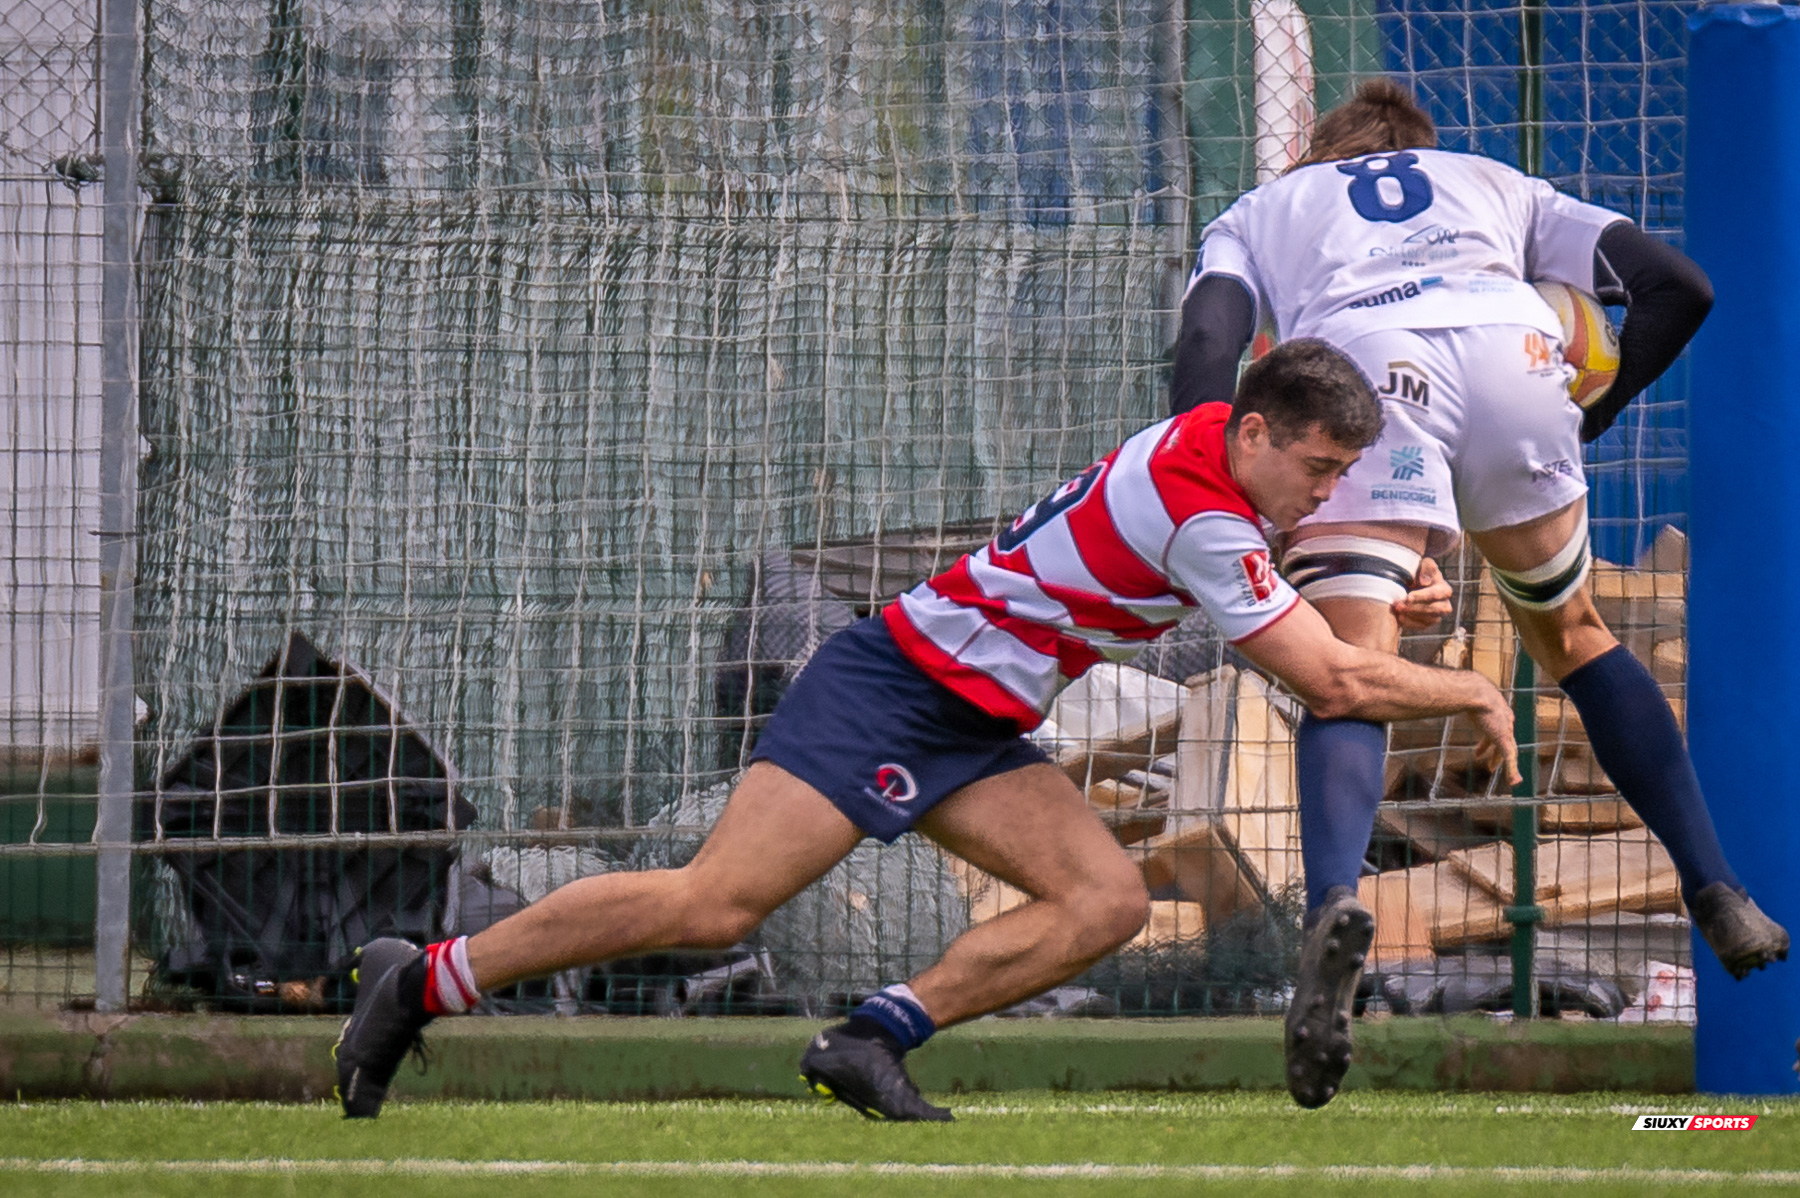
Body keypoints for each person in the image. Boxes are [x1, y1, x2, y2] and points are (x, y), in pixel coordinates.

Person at [333, 339, 1521, 1123]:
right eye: (1318, 468)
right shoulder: (1203, 515)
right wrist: (1470, 691)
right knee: (714, 904)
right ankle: (424, 978)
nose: (1327, 494)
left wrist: (1360, 587)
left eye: (1341, 474)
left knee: (1102, 900)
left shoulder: (1213, 437)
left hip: (976, 720)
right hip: (895, 690)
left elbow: (1272, 558)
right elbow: (1332, 681)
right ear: (1256, 435)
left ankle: (870, 1039)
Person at [1173, 79, 1788, 1107]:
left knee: (1350, 669)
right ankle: (1713, 883)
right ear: (1422, 148)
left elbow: (1207, 344)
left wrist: (1201, 480)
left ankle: (1334, 912)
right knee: (1576, 634)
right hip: (1519, 360)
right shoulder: (1497, 183)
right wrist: (1590, 415)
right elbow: (1680, 287)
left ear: (1317, 152)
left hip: (1369, 367)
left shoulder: (1265, 207)